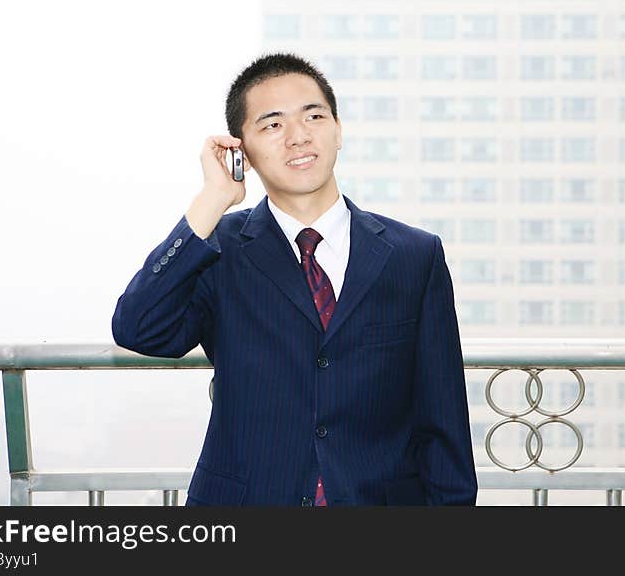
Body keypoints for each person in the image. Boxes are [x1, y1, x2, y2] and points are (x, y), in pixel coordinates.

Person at [111, 52, 477, 506]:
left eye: (314, 116)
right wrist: (212, 200)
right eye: (272, 125)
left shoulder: (413, 256)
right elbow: (139, 328)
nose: (298, 137)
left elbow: (443, 426)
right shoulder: (219, 250)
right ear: (240, 149)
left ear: (339, 130)